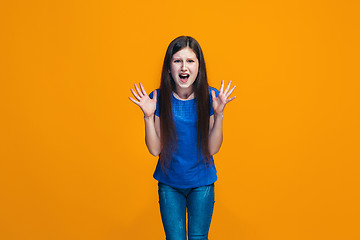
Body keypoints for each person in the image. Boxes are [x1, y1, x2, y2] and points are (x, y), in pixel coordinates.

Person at [129, 36, 236, 240]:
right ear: (169, 67)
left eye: (190, 61)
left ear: (199, 67)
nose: (184, 67)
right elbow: (155, 150)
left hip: (202, 183)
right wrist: (148, 116)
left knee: (198, 237)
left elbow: (213, 149)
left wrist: (219, 114)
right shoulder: (158, 98)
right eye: (177, 61)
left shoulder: (211, 97)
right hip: (169, 183)